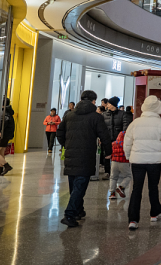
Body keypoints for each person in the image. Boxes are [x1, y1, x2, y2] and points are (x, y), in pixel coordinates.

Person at [57, 90, 112, 228]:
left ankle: (78, 211)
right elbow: (104, 135)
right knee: (80, 186)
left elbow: (60, 132)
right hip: (86, 156)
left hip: (70, 155)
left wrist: (66, 144)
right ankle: (69, 214)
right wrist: (108, 152)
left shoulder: (69, 115)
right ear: (93, 101)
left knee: (74, 185)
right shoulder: (96, 117)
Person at [124, 95, 161, 230]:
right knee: (153, 187)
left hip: (137, 161)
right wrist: (159, 153)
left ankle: (133, 220)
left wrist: (130, 156)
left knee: (136, 189)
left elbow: (127, 143)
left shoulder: (135, 123)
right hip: (155, 162)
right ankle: (154, 213)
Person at [103, 97, 133, 180]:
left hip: (118, 140)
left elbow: (125, 126)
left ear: (113, 104)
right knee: (107, 155)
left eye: (108, 103)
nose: (107, 105)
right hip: (107, 138)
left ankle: (120, 172)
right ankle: (107, 172)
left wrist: (122, 138)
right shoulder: (105, 114)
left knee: (119, 156)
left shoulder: (122, 114)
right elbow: (102, 127)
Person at [108, 130, 132, 200]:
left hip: (114, 162)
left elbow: (110, 152)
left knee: (113, 177)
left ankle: (112, 194)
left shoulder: (113, 143)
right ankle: (121, 187)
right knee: (128, 176)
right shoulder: (127, 144)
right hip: (124, 162)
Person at [0, 98, 15, 176]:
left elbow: (3, 124)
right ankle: (0, 169)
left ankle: (6, 166)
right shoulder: (8, 112)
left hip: (3, 135)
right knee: (1, 152)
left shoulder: (4, 113)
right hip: (7, 135)